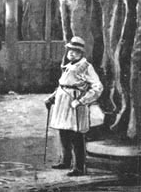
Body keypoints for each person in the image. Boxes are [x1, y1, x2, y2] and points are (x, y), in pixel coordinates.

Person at [45, 36, 103, 176]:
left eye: (75, 51)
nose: (71, 53)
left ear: (81, 53)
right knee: (63, 132)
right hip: (62, 104)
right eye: (70, 50)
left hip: (75, 104)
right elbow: (62, 85)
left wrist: (82, 101)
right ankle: (65, 161)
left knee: (76, 136)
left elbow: (97, 87)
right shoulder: (68, 66)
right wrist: (52, 98)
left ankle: (79, 167)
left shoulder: (85, 67)